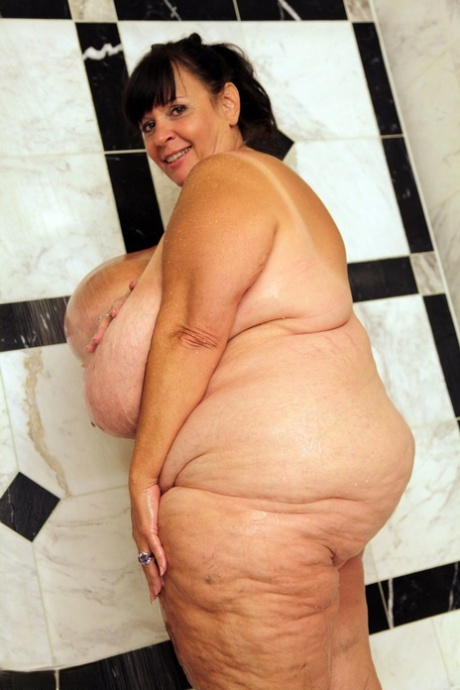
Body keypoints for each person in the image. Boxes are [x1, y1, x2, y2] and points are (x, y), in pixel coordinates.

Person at [65, 33, 415, 690]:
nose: (161, 135)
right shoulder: (282, 186)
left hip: (259, 507)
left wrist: (143, 478)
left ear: (228, 104)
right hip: (335, 493)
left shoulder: (221, 179)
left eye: (177, 109)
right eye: (147, 124)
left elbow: (192, 336)